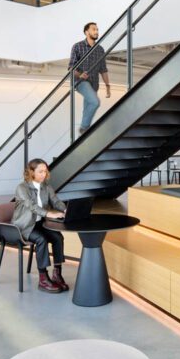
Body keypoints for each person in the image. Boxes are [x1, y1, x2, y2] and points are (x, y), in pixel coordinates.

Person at [12, 159, 69, 293]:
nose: (44, 174)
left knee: (57, 237)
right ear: (31, 172)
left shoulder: (46, 187)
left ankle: (57, 273)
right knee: (41, 239)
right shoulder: (22, 188)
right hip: (24, 226)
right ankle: (43, 278)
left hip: (39, 223)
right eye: (40, 171)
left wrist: (66, 210)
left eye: (45, 171)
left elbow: (55, 201)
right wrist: (49, 214)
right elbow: (32, 206)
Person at [69, 22, 111, 134]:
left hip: (94, 84)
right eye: (94, 29)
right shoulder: (78, 46)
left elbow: (103, 69)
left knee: (88, 107)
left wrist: (107, 86)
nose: (96, 32)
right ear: (86, 32)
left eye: (97, 29)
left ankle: (82, 136)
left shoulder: (100, 49)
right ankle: (84, 128)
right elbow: (71, 67)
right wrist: (80, 74)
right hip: (80, 81)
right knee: (95, 102)